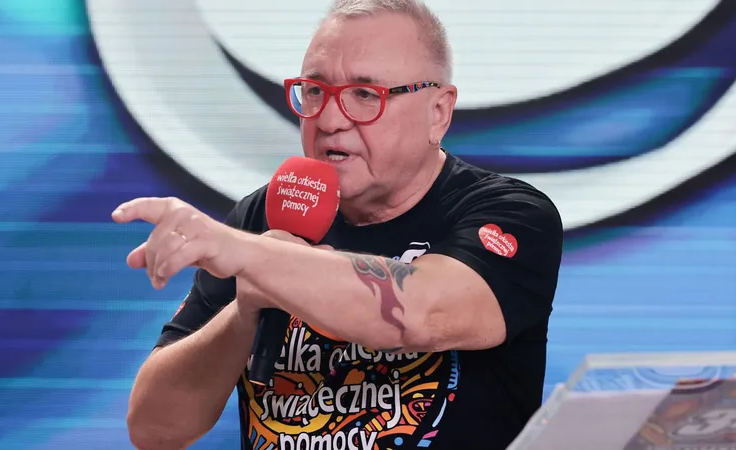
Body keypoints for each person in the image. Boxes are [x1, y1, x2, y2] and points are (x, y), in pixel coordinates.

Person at [117, 0, 563, 449]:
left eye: (365, 95)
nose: (329, 120)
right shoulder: (267, 216)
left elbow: (422, 314)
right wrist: (243, 312)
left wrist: (263, 260)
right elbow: (154, 428)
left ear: (438, 113)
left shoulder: (508, 213)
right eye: (315, 91)